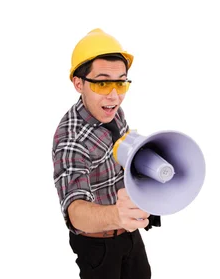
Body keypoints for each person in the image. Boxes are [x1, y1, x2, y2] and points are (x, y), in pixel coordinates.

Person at [51, 28, 161, 279]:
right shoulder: (71, 138)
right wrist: (116, 215)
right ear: (79, 83)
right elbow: (74, 211)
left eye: (121, 82)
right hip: (98, 247)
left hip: (129, 233)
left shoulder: (113, 111)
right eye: (102, 83)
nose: (114, 95)